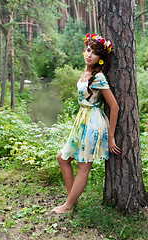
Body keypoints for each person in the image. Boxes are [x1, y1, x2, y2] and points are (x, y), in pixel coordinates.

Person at [51, 33, 121, 214]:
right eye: (88, 50)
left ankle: (68, 206)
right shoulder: (86, 73)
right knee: (63, 158)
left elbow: (114, 107)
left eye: (95, 53)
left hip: (93, 122)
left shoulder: (99, 78)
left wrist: (111, 136)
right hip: (81, 119)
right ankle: (71, 201)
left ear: (100, 59)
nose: (89, 54)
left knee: (83, 166)